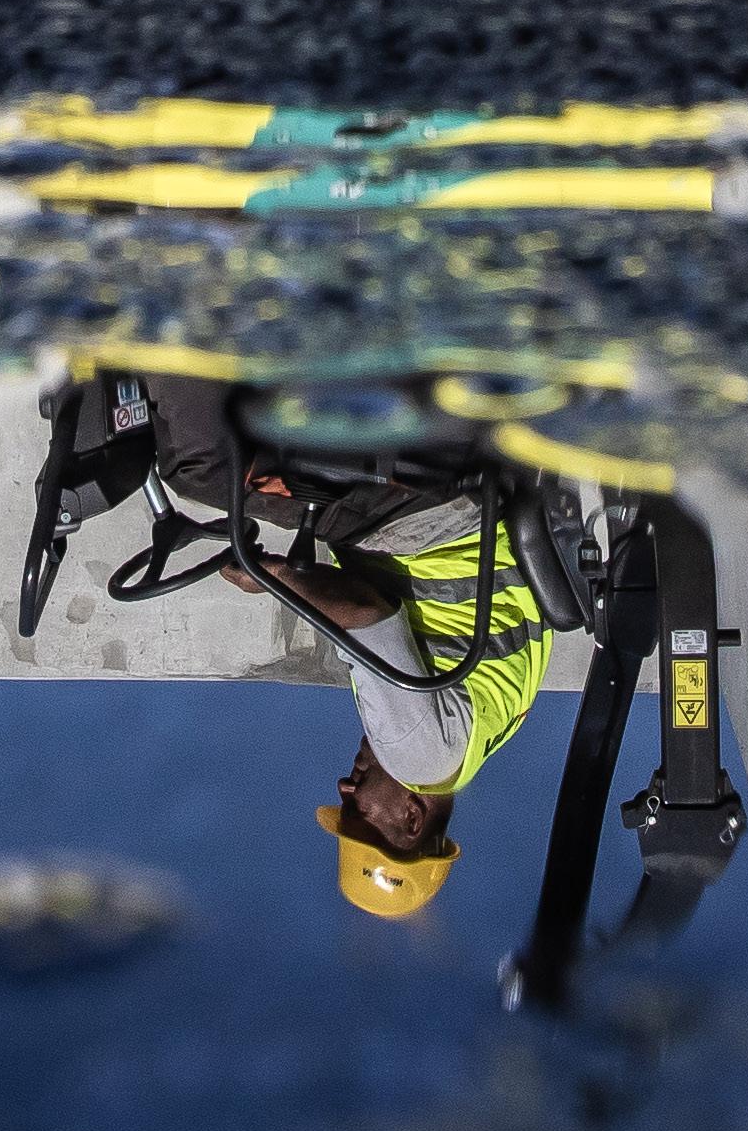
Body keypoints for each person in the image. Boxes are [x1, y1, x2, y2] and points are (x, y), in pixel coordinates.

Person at [147, 378, 554, 919]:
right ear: (412, 818)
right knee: (202, 470)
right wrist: (271, 577)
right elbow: (364, 613)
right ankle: (181, 348)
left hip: (471, 504)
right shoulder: (421, 757)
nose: (344, 788)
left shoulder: (481, 740)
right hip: (419, 519)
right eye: (359, 816)